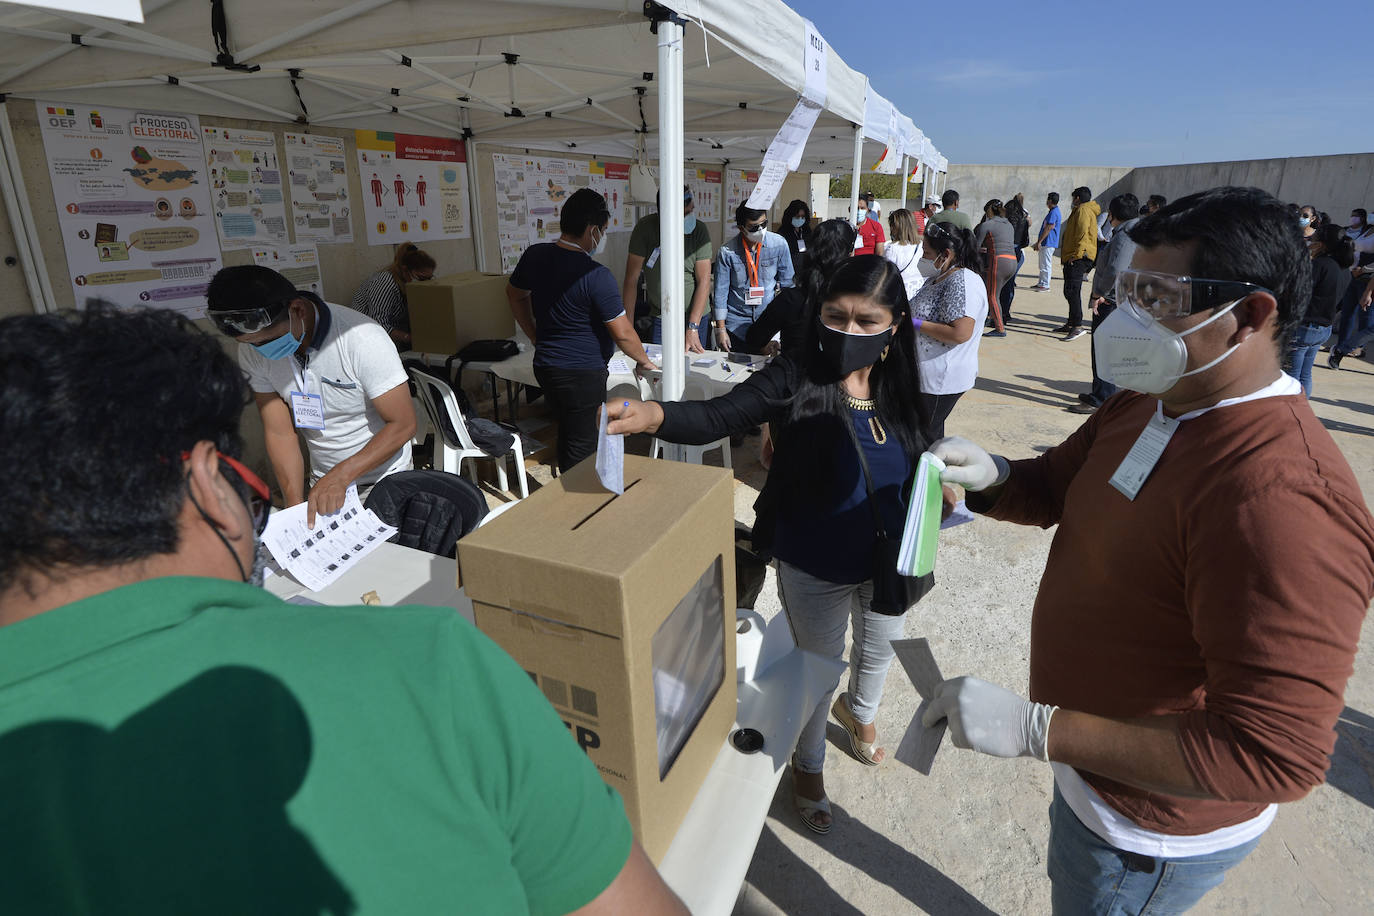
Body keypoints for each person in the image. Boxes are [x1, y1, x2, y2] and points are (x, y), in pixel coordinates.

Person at [0, 306, 688, 916]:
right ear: (212, 485)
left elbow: (396, 421)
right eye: (248, 488)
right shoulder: (430, 666)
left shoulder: (359, 343)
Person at [924, 186, 1374, 915]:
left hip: (1146, 834)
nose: (1124, 317)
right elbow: (1059, 486)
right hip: (1095, 781)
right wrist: (996, 477)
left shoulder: (1282, 498)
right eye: (1124, 291)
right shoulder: (1156, 393)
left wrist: (1038, 729)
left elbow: (1276, 755)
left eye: (1157, 297)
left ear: (1250, 317)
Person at [608, 256, 929, 835]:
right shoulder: (797, 374)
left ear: (894, 325)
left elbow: (919, 455)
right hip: (814, 563)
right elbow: (719, 413)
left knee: (879, 652)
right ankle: (807, 766)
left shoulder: (901, 382)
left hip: (887, 559)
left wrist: (945, 491)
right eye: (836, 316)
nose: (848, 332)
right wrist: (653, 414)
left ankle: (859, 717)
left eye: (866, 321)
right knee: (819, 669)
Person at [207, 265, 414, 525]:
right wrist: (294, 506)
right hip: (324, 483)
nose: (261, 350)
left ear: (297, 310)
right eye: (250, 344)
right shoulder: (252, 348)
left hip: (384, 481)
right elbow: (280, 432)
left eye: (267, 341)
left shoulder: (361, 339)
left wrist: (342, 475)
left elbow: (403, 424)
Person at [507, 188, 654, 473]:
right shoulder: (596, 275)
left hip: (547, 367)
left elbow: (514, 294)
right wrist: (645, 361)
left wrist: (535, 334)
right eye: (604, 230)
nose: (603, 237)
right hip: (580, 375)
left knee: (570, 430)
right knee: (583, 447)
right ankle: (576, 506)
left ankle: (570, 485)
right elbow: (623, 332)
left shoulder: (535, 255)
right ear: (592, 230)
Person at [910, 220, 987, 440]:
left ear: (945, 254)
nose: (923, 258)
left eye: (926, 252)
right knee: (927, 434)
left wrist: (912, 323)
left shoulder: (962, 281)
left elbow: (960, 333)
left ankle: (926, 474)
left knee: (924, 437)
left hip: (941, 378)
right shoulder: (940, 277)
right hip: (926, 375)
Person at [747, 218, 858, 357]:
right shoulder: (856, 301)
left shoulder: (791, 299)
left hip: (793, 373)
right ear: (849, 254)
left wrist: (767, 346)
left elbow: (754, 338)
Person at [622, 186, 713, 353]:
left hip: (696, 317)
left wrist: (692, 327)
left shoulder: (699, 231)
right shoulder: (645, 229)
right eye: (685, 214)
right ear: (666, 212)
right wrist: (627, 327)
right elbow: (631, 280)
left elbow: (704, 281)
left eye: (691, 211)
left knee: (693, 370)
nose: (690, 217)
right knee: (661, 369)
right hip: (661, 315)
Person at [1072, 193, 1140, 414]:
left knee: (1103, 348)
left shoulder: (1124, 235)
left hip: (1110, 299)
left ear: (1112, 214)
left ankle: (1102, 398)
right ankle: (1099, 392)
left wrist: (1099, 293)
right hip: (1119, 298)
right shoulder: (1134, 231)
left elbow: (1115, 269)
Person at [712, 203, 795, 351]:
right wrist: (721, 330)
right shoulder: (727, 252)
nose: (760, 230)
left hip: (768, 324)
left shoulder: (779, 245)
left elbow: (788, 285)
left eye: (763, 224)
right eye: (754, 227)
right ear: (741, 228)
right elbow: (720, 292)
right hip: (736, 326)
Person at [1288, 223, 1353, 395]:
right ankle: (1301, 411)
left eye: (1315, 238)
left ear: (1322, 243)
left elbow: (1299, 292)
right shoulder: (1344, 269)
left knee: (1292, 377)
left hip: (1305, 327)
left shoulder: (1320, 264)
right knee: (1304, 375)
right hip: (1323, 328)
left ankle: (1293, 415)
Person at [350, 241, 435, 349]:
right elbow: (378, 325)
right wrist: (408, 338)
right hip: (364, 338)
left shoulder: (406, 284)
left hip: (386, 338)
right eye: (422, 278)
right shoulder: (385, 283)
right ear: (405, 270)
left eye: (429, 278)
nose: (426, 282)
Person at [1328, 207, 1374, 368]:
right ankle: (1343, 348)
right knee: (1350, 315)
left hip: (1363, 278)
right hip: (1359, 279)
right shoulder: (1367, 231)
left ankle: (1346, 349)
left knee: (1368, 325)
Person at [1056, 186, 1100, 340]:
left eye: (1073, 198)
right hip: (1075, 256)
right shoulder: (1082, 210)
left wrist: (1077, 255)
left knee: (1073, 291)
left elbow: (1082, 232)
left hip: (1079, 257)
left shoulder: (1083, 210)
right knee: (1069, 290)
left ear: (1077, 198)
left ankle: (1077, 326)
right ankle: (1071, 322)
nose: (1072, 201)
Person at [973, 199, 1015, 335]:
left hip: (998, 262)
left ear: (989, 211)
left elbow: (976, 247)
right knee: (996, 295)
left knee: (992, 296)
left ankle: (999, 328)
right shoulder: (1009, 224)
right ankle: (994, 319)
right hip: (1012, 262)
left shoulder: (987, 225)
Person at [883, 207, 925, 299]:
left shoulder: (891, 247)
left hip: (900, 291)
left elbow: (887, 273)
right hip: (919, 289)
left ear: (896, 227)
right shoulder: (922, 245)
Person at [1001, 196, 1031, 322]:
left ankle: (999, 313)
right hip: (1018, 252)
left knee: (1001, 285)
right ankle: (1005, 312)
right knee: (1010, 284)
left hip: (1006, 252)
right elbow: (1025, 241)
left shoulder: (1005, 222)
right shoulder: (1023, 220)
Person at [1032, 192, 1062, 291]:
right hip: (1047, 242)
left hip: (1049, 242)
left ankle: (1045, 284)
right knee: (1042, 264)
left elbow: (1049, 228)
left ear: (1049, 201)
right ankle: (1041, 282)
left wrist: (1039, 242)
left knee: (1046, 264)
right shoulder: (1053, 211)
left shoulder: (1054, 212)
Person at [779, 198, 812, 277]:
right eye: (797, 217)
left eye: (802, 217)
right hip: (789, 272)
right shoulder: (783, 232)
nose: (800, 219)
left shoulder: (807, 231)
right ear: (790, 216)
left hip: (805, 272)